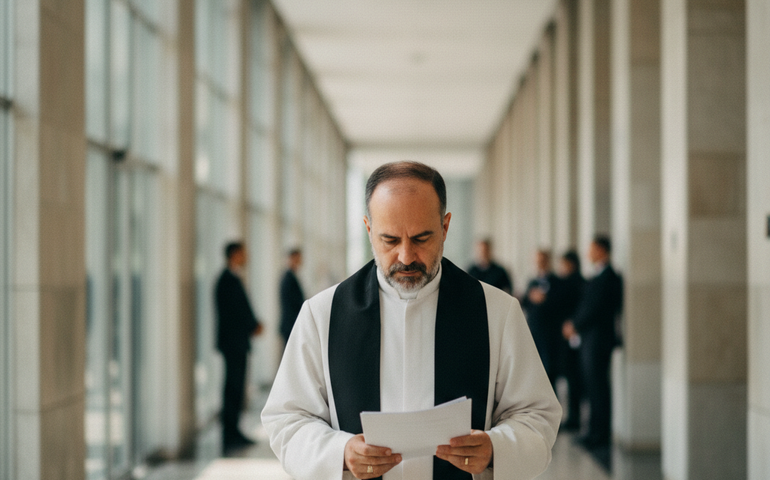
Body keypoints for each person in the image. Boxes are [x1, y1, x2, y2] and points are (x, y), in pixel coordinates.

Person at [262, 161, 561, 480]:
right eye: (390, 240)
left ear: (445, 227)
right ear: (368, 229)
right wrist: (340, 452)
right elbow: (287, 419)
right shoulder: (321, 314)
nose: (406, 257)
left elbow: (537, 416)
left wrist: (495, 449)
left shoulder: (497, 311)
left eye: (421, 238)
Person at [563, 236, 622, 449]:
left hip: (598, 340)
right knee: (591, 386)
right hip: (590, 340)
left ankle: (599, 433)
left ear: (601, 250)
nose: (588, 253)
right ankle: (593, 430)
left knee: (597, 387)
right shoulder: (598, 276)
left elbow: (594, 308)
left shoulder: (609, 277)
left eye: (591, 249)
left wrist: (574, 325)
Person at [215, 241, 263, 452]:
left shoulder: (231, 279)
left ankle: (234, 431)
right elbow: (234, 313)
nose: (247, 256)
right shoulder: (227, 280)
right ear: (235, 255)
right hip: (233, 345)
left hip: (236, 344)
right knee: (232, 389)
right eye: (243, 253)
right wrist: (252, 325)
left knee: (236, 389)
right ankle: (229, 435)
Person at [520, 249, 562, 386]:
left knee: (549, 370)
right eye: (537, 261)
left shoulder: (556, 281)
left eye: (542, 261)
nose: (539, 264)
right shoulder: (532, 282)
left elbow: (560, 304)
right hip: (534, 330)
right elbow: (526, 303)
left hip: (550, 333)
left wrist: (545, 299)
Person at [555, 250, 586, 431]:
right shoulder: (580, 282)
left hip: (572, 336)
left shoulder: (569, 283)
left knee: (573, 378)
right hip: (573, 336)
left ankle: (574, 418)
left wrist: (571, 325)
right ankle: (574, 417)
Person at [279, 248, 305, 344]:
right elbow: (294, 302)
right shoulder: (288, 279)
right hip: (290, 324)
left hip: (291, 323)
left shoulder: (292, 277)